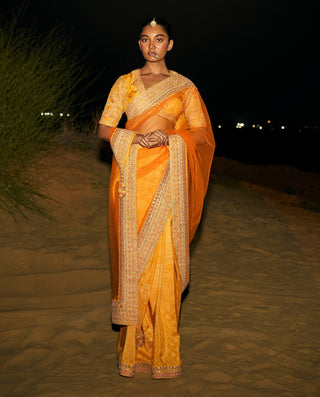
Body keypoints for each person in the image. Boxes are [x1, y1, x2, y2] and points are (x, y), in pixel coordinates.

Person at [98, 16, 215, 379]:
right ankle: (131, 353)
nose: (152, 45)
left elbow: (201, 134)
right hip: (131, 182)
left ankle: (164, 352)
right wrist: (133, 138)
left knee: (163, 264)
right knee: (134, 265)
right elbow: (104, 128)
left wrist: (170, 139)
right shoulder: (125, 84)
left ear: (170, 44)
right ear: (139, 45)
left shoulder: (184, 88)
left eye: (159, 39)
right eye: (146, 39)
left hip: (168, 182)